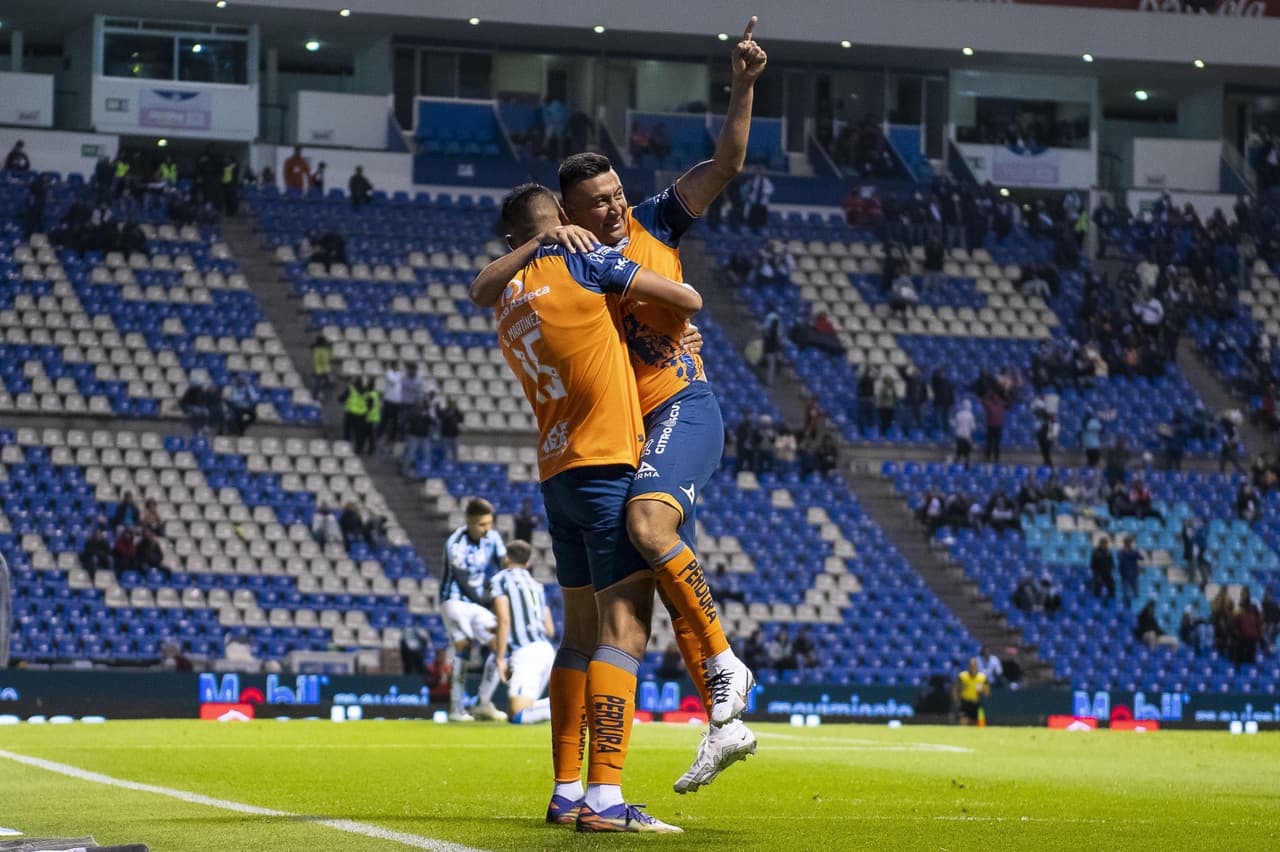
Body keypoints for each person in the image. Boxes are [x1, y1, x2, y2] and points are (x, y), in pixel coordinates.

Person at [471, 182, 709, 832]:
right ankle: (605, 799)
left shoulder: (510, 296)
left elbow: (480, 287)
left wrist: (532, 245)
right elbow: (684, 299)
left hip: (557, 473)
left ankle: (566, 790)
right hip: (606, 463)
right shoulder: (583, 260)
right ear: (564, 219)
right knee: (624, 631)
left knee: (577, 637)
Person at [441, 498, 508, 723]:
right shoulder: (455, 542)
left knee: (501, 641)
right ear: (469, 521)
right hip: (455, 601)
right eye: (481, 524)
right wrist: (490, 602)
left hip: (477, 602)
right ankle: (456, 708)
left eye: (489, 523)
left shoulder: (493, 537)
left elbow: (504, 564)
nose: (486, 528)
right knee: (464, 645)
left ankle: (483, 703)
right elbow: (462, 580)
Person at [490, 540, 558, 724]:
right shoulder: (538, 586)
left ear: (506, 558)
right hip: (546, 650)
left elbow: (504, 620)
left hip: (526, 652)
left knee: (518, 714)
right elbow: (550, 629)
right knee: (525, 709)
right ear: (527, 563)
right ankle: (570, 705)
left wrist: (500, 658)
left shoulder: (500, 579)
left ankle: (576, 707)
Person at [401, 397, 435, 478]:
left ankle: (425, 472)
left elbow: (432, 422)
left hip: (424, 436)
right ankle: (405, 471)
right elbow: (408, 421)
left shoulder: (427, 413)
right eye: (420, 403)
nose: (422, 405)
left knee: (427, 454)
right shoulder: (413, 411)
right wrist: (419, 415)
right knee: (410, 453)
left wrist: (427, 416)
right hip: (414, 436)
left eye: (423, 404)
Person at [953, 658, 989, 726]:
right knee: (963, 722)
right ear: (968, 666)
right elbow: (955, 689)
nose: (972, 667)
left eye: (974, 665)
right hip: (965, 703)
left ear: (977, 666)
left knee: (975, 726)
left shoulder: (982, 677)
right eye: (971, 665)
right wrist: (956, 700)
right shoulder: (962, 676)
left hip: (976, 703)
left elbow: (987, 693)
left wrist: (982, 691)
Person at [744, 165, 773, 232]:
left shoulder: (766, 181)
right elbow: (749, 190)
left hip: (762, 203)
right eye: (758, 171)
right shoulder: (753, 180)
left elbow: (770, 190)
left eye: (761, 171)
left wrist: (764, 191)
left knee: (761, 220)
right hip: (754, 203)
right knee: (753, 219)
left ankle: (760, 232)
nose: (759, 173)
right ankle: (752, 230)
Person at [381, 361, 405, 444]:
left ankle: (392, 438)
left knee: (395, 421)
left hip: (397, 402)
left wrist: (400, 374)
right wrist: (400, 374)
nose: (398, 368)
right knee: (385, 420)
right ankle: (380, 435)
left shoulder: (399, 375)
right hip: (389, 401)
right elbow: (393, 380)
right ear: (392, 366)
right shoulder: (389, 373)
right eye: (396, 366)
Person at [1117, 537, 1143, 606]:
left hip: (1133, 574)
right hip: (1125, 574)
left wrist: (1128, 554)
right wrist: (1131, 555)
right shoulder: (1121, 552)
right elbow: (1121, 559)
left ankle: (1136, 605)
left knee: (1136, 592)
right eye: (1127, 543)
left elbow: (1141, 557)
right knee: (1125, 592)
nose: (1128, 544)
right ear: (1124, 543)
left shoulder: (1134, 551)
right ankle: (1126, 606)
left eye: (1129, 543)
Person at [952, 399, 975, 468]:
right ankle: (966, 468)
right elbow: (973, 427)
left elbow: (955, 425)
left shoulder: (958, 414)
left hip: (959, 437)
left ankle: (956, 467)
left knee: (958, 453)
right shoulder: (971, 415)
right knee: (967, 455)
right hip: (967, 438)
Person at [438, 398, 461, 462]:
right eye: (450, 404)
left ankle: (455, 467)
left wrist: (456, 411)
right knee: (446, 454)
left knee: (455, 453)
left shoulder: (456, 412)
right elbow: (442, 418)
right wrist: (450, 414)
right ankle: (447, 468)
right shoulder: (444, 411)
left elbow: (461, 419)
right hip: (446, 436)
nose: (451, 406)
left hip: (455, 436)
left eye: (452, 404)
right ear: (447, 404)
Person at [311, 336, 333, 402]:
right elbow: (321, 360)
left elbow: (330, 350)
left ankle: (327, 385)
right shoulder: (320, 350)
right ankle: (316, 395)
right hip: (320, 370)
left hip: (321, 369)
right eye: (324, 342)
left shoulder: (319, 349)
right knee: (318, 383)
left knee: (322, 381)